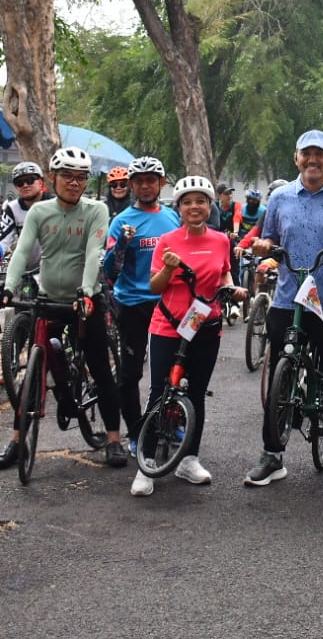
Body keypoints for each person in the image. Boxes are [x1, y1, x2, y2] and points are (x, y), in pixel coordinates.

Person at [244, 131, 323, 492]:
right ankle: (272, 455)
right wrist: (262, 246)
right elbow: (269, 238)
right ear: (296, 158)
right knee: (278, 374)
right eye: (307, 154)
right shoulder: (281, 197)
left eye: (320, 154)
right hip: (289, 299)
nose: (313, 160)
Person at [0, 148, 125, 470]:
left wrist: (88, 291)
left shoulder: (97, 210)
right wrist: (8, 287)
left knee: (101, 369)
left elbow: (94, 253)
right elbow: (22, 252)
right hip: (48, 297)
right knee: (34, 369)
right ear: (53, 177)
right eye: (67, 175)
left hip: (85, 297)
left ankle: (114, 439)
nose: (74, 183)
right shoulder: (39, 212)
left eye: (81, 177)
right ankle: (17, 441)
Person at [131, 175, 246, 496]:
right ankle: (147, 465)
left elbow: (223, 272)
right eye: (187, 202)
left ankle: (188, 460)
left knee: (196, 394)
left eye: (200, 201)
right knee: (158, 393)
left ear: (210, 205)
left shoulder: (221, 240)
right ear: (178, 207)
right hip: (168, 325)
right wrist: (167, 269)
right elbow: (154, 287)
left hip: (206, 325)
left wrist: (231, 288)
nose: (194, 207)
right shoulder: (167, 240)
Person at [101, 156, 179, 455]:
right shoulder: (121, 221)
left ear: (161, 183)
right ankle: (135, 432)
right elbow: (111, 271)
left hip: (168, 304)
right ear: (132, 185)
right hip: (132, 304)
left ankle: (169, 422)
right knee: (130, 373)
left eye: (151, 180)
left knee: (171, 369)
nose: (145, 186)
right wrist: (121, 244)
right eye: (139, 181)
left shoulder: (172, 217)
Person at [0, 161, 45, 278]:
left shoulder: (56, 204)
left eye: (30, 180)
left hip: (54, 270)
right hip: (26, 270)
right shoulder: (13, 208)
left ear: (40, 182)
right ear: (15, 187)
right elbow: (2, 240)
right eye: (19, 182)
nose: (25, 185)